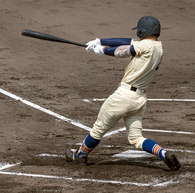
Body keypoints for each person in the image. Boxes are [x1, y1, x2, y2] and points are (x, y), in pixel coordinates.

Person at [65, 16, 181, 171]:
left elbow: (125, 50)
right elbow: (127, 41)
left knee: (98, 129)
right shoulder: (158, 47)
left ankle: (80, 155)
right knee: (136, 138)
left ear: (143, 30)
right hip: (139, 99)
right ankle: (163, 153)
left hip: (123, 96)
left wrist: (103, 50)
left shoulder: (145, 45)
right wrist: (100, 41)